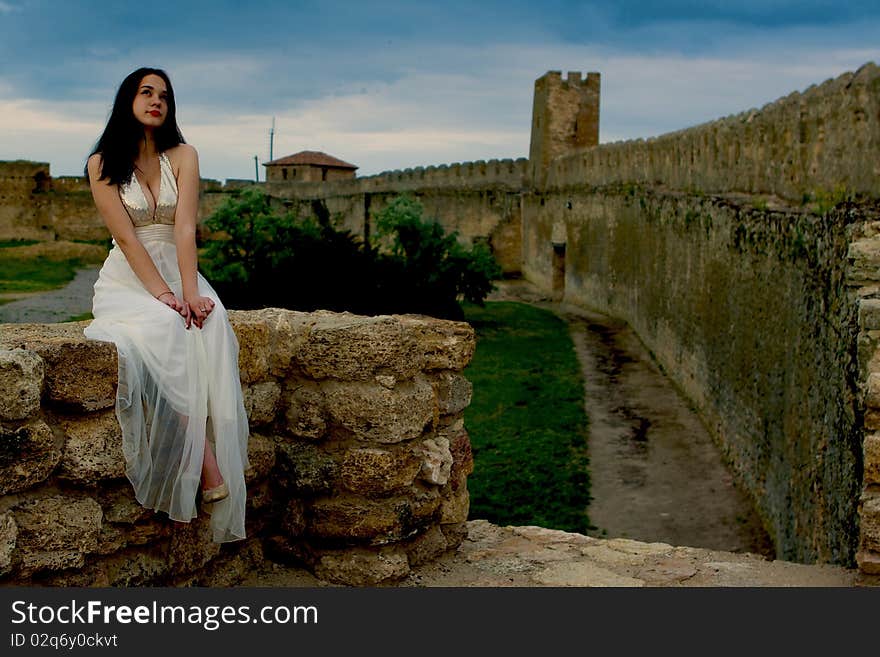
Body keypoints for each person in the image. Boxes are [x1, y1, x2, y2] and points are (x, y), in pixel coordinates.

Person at [83, 67, 248, 543]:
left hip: (181, 269)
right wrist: (164, 296)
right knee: (164, 329)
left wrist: (191, 292)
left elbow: (184, 228)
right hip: (130, 277)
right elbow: (126, 238)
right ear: (127, 100)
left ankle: (209, 457)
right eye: (146, 92)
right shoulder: (101, 163)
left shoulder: (184, 155)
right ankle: (207, 464)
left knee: (210, 328)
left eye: (164, 96)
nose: (156, 101)